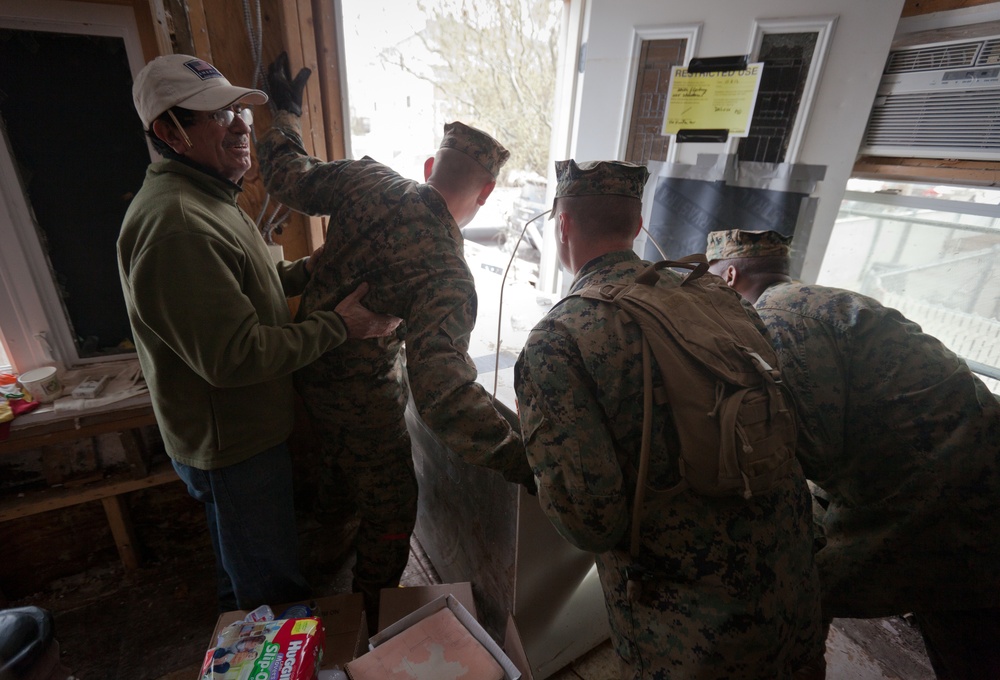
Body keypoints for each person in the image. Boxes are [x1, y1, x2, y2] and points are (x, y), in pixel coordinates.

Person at [513, 160, 824, 679]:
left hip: (691, 632)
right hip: (793, 590)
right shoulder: (720, 298)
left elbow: (588, 523)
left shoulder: (560, 339)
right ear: (637, 226)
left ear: (562, 225)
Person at [256, 53, 534, 626]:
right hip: (365, 403)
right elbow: (442, 394)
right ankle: (367, 621)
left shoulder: (367, 179)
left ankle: (323, 572)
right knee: (389, 511)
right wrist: (528, 458)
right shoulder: (447, 273)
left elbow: (286, 175)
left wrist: (284, 116)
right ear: (485, 196)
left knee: (334, 480)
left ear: (431, 163)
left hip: (305, 373)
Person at [118, 54, 400, 612]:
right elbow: (235, 354)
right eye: (217, 116)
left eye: (238, 110)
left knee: (241, 560)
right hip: (232, 446)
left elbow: (240, 290)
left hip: (236, 433)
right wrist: (338, 326)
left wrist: (305, 271)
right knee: (270, 589)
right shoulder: (178, 224)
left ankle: (237, 634)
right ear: (168, 132)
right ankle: (275, 658)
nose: (243, 125)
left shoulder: (209, 197)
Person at [705, 228, 1000, 680]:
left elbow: (813, 449)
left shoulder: (776, 321)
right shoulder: (821, 299)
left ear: (727, 275)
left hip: (939, 492)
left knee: (800, 588)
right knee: (964, 605)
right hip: (967, 467)